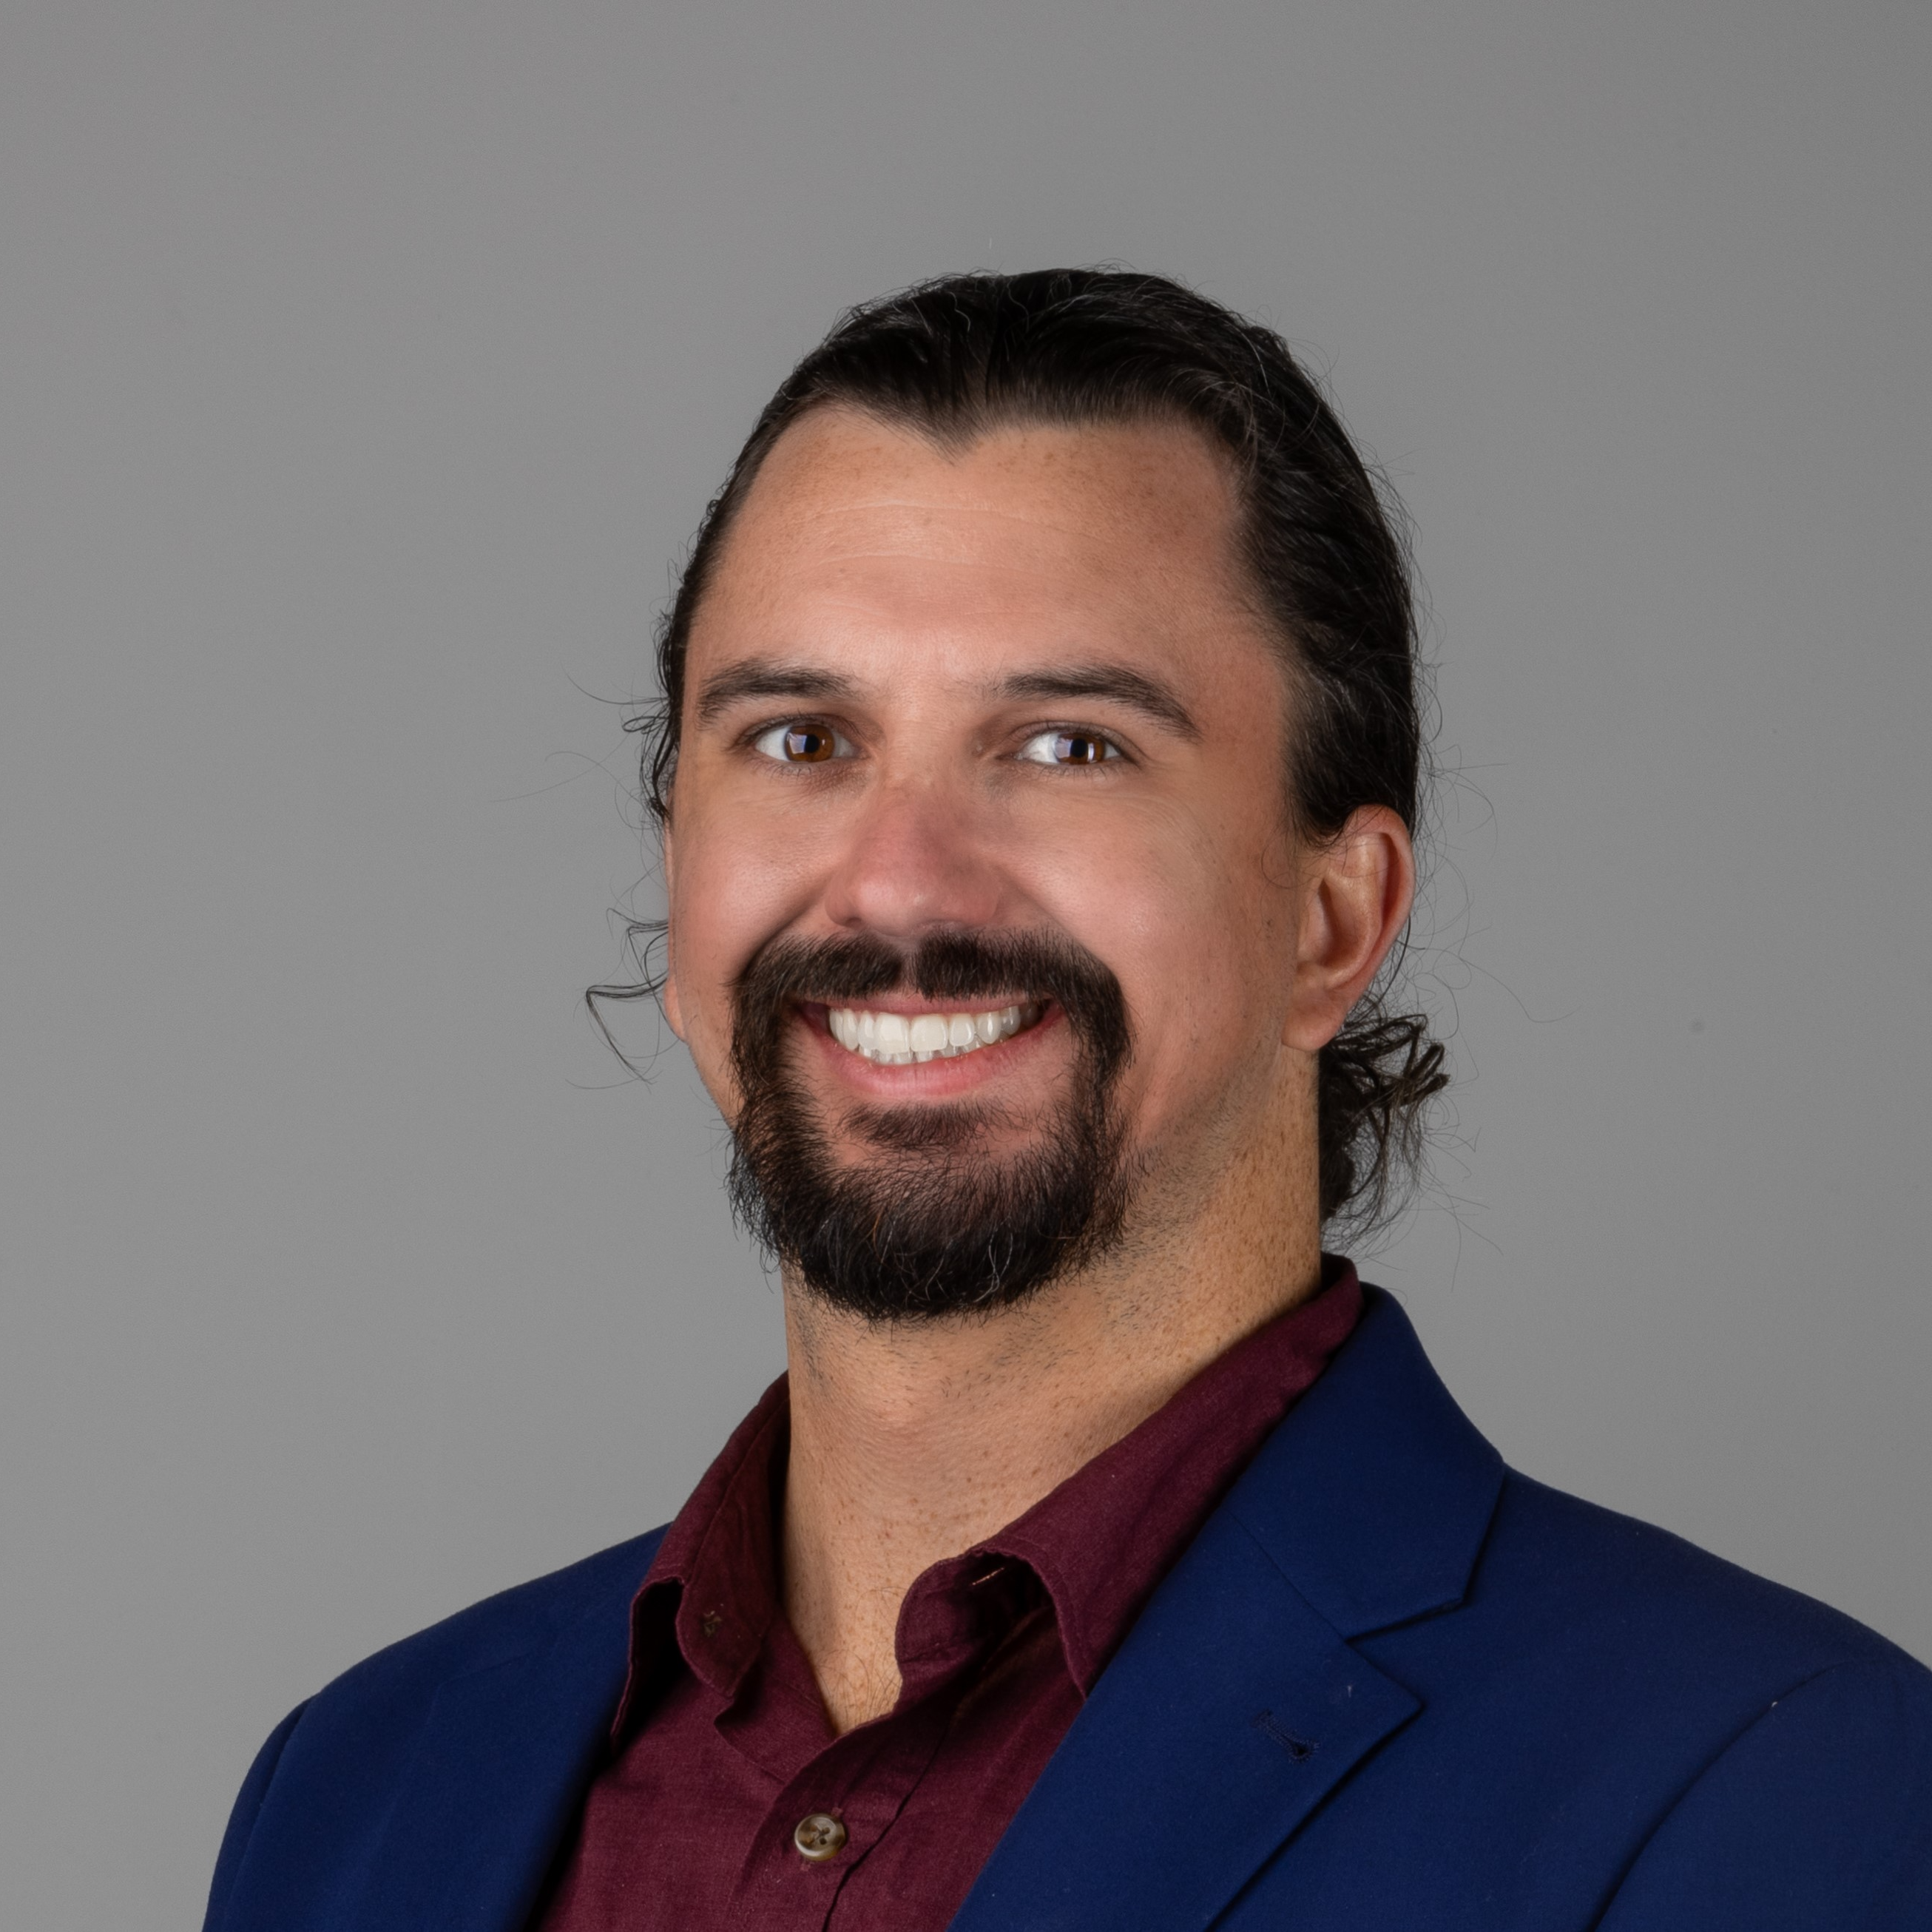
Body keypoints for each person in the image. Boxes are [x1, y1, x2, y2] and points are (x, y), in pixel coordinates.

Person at [202, 270, 1932, 1932]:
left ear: (1337, 918)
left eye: (1066, 745)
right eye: (801, 739)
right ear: (680, 884)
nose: (896, 886)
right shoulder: (356, 1788)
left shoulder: (1779, 1797)